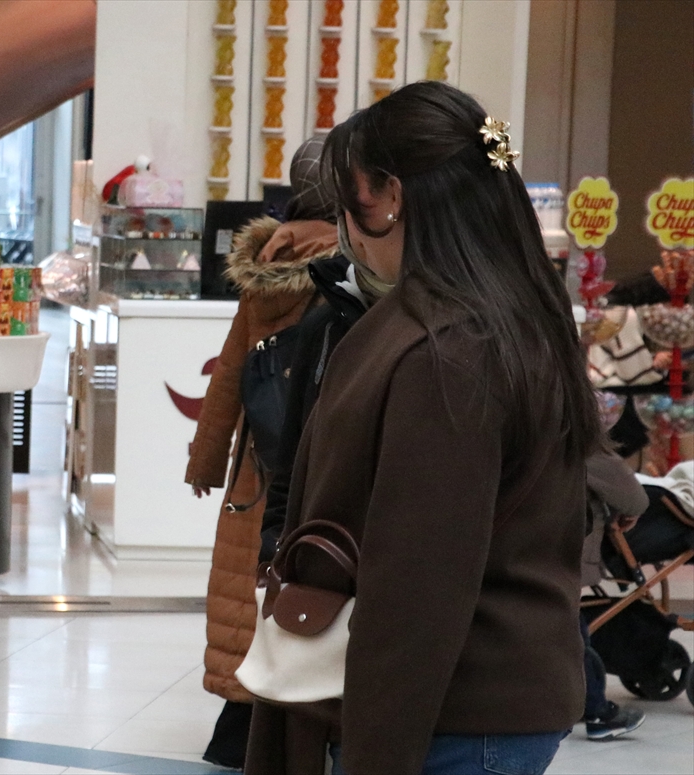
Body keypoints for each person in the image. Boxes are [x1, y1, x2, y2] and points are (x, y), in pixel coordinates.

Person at [246, 81, 603, 775]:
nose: (345, 227)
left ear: (391, 197)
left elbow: (419, 583)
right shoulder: (505, 312)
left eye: (348, 200)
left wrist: (377, 753)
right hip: (480, 700)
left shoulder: (449, 348)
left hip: (453, 714)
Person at [186, 137, 339, 769]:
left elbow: (230, 371)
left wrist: (205, 458)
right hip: (319, 451)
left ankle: (237, 726)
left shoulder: (265, 264)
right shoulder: (355, 266)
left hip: (256, 464)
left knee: (244, 587)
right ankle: (288, 719)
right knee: (304, 583)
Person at [581, 452, 647, 740]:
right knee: (570, 636)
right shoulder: (581, 441)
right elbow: (634, 499)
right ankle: (597, 712)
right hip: (558, 551)